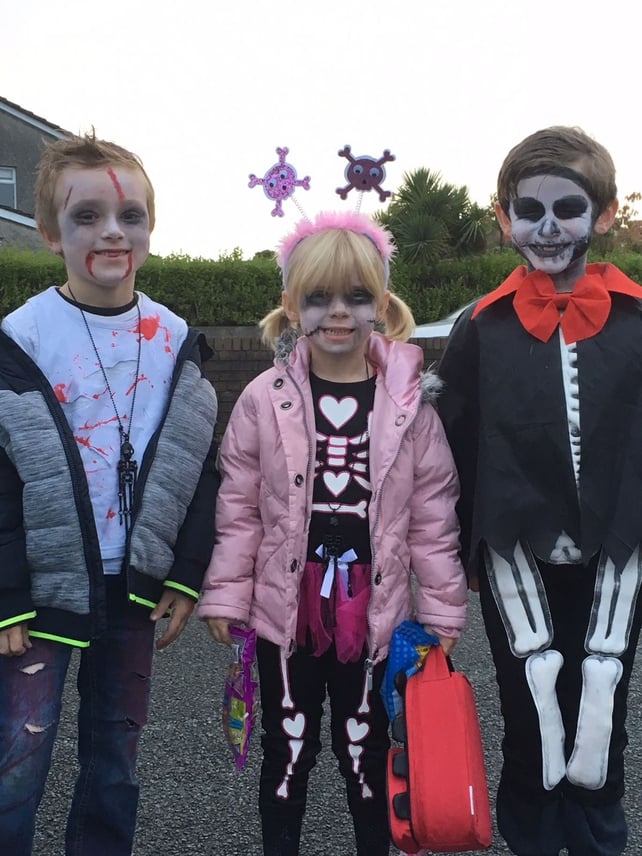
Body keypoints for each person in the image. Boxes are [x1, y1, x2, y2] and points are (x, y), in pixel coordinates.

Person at [197, 210, 467, 856]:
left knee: (366, 750)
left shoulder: (409, 408)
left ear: (383, 303)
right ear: (291, 306)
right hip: (287, 611)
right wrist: (228, 594)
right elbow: (239, 506)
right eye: (318, 298)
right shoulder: (264, 399)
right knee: (288, 749)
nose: (338, 313)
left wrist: (442, 607)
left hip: (374, 614)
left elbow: (433, 516)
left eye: (357, 296)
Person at [0, 131, 219, 856]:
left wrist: (187, 571)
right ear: (48, 232)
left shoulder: (175, 335)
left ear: (151, 225)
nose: (111, 233)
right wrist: (6, 596)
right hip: (40, 591)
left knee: (116, 762)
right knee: (16, 763)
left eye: (130, 216)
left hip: (134, 585)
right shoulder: (21, 339)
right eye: (86, 216)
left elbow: (198, 467)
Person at [438, 126, 642, 856]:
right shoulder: (481, 328)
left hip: (617, 547)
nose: (549, 228)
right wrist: (443, 551)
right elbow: (447, 442)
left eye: (569, 208)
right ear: (504, 218)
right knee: (529, 705)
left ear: (607, 213)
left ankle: (596, 836)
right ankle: (530, 831)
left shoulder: (637, 320)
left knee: (605, 694)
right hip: (511, 548)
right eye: (530, 210)